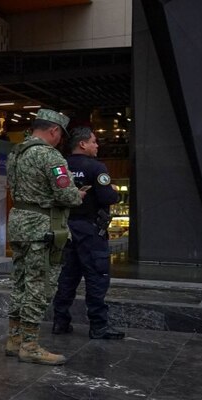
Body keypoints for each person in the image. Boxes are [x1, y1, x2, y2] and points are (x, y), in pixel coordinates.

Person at [6, 109, 85, 366]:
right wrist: (77, 195)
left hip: (18, 224)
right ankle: (30, 345)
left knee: (19, 283)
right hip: (42, 229)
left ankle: (14, 339)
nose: (60, 140)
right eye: (60, 135)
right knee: (39, 286)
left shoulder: (16, 153)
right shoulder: (50, 155)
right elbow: (67, 195)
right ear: (54, 130)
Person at [51, 127, 124, 340]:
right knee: (97, 276)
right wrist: (116, 193)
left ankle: (60, 322)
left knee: (67, 277)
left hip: (65, 229)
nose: (97, 145)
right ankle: (99, 326)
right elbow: (108, 197)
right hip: (91, 231)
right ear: (83, 144)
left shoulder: (61, 167)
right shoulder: (96, 167)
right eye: (94, 141)